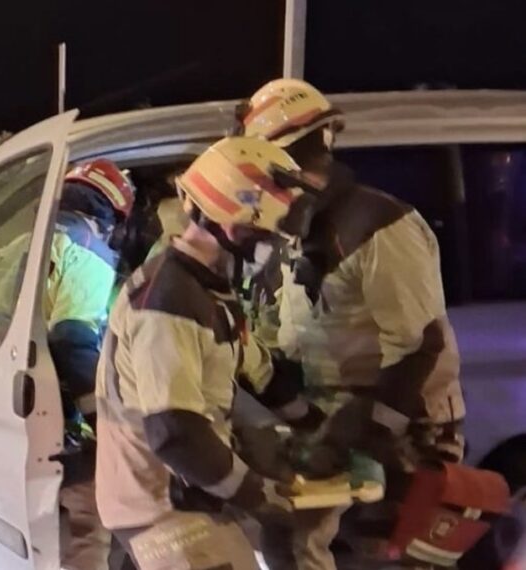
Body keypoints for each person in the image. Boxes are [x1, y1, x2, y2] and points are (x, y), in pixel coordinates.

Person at [238, 78, 468, 569]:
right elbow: (292, 332)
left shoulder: (379, 225)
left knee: (394, 557)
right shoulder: (299, 227)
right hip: (336, 415)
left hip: (408, 426)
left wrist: (361, 433)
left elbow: (418, 348)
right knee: (291, 543)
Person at [95, 136, 314, 569]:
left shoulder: (207, 287)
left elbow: (260, 373)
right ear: (234, 224)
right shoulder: (170, 300)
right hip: (159, 504)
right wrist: (259, 494)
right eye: (266, 233)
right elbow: (175, 432)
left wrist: (319, 429)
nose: (273, 247)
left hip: (186, 488)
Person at [0, 158, 134, 569]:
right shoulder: (88, 250)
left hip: (10, 406)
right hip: (60, 415)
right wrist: (105, 423)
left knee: (45, 530)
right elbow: (72, 340)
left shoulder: (18, 247)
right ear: (112, 215)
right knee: (89, 525)